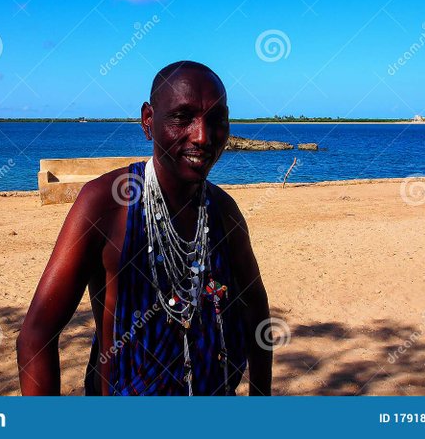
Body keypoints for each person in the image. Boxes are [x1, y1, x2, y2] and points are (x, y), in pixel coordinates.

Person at [17, 61, 272, 395]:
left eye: (216, 119)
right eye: (183, 117)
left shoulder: (224, 213)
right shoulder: (106, 205)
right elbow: (35, 336)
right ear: (148, 121)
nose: (202, 136)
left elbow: (255, 311)